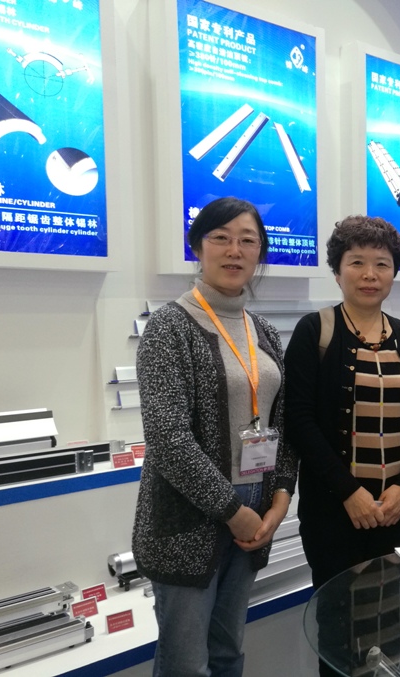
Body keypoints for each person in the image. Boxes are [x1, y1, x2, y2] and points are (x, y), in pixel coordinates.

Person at [132, 197, 296, 676]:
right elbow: (167, 438)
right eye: (220, 238)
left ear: (260, 252)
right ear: (197, 247)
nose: (234, 250)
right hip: (189, 516)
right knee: (186, 665)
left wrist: (281, 497)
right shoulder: (169, 326)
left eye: (248, 240)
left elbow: (280, 423)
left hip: (255, 510)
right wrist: (232, 511)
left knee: (227, 653)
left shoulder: (263, 331)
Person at [285, 216, 400, 590]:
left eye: (382, 264)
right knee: (337, 610)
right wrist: (349, 491)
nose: (369, 275)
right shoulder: (315, 330)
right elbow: (298, 419)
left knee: (393, 604)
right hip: (334, 508)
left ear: (394, 272)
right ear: (337, 271)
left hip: (397, 509)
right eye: (357, 262)